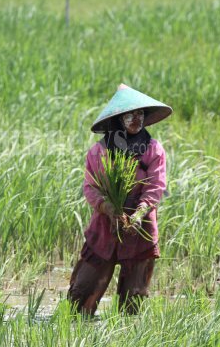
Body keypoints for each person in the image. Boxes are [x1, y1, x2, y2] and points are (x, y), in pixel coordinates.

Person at [68, 84, 172, 315]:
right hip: (106, 225)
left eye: (140, 114)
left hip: (140, 226)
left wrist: (138, 214)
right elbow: (91, 188)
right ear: (118, 119)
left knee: (134, 298)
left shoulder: (153, 150)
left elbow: (155, 187)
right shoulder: (99, 152)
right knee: (81, 294)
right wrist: (109, 209)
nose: (136, 119)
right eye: (130, 115)